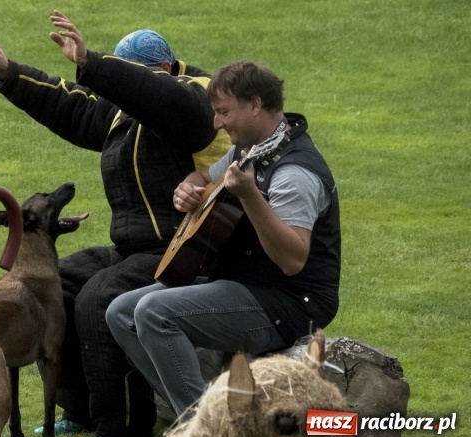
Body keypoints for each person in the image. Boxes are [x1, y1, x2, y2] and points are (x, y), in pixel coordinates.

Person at [0, 10, 228, 437]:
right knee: (61, 284)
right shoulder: (126, 110)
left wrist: (95, 64)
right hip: (137, 248)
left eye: (128, 80)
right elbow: (72, 106)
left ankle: (122, 430)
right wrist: (11, 75)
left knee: (99, 298)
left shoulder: (196, 98)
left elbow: (159, 98)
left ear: (162, 71)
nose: (119, 95)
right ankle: (79, 408)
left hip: (186, 248)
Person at [106, 60, 341, 417]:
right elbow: (204, 176)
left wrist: (249, 196)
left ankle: (209, 431)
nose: (216, 123)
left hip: (288, 302)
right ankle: (203, 418)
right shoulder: (250, 148)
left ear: (255, 105)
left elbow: (292, 260)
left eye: (223, 112)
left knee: (154, 313)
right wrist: (188, 189)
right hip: (241, 280)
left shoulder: (295, 172)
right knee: (121, 312)